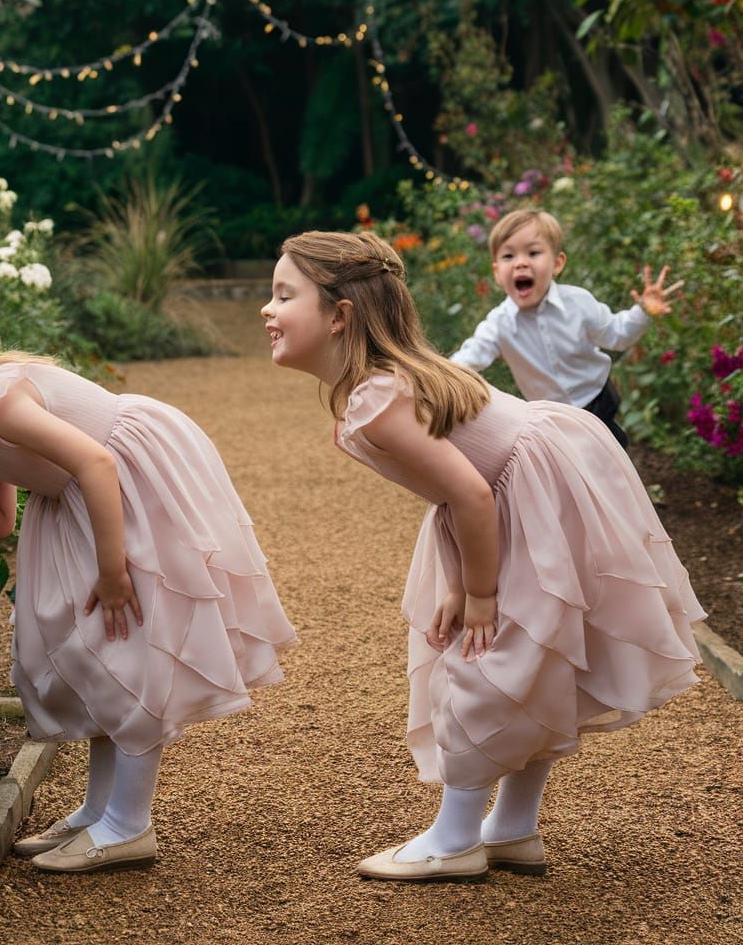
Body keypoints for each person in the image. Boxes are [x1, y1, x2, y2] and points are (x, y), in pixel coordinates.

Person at [262, 230, 704, 883]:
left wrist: (480, 594)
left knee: (482, 662)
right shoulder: (383, 389)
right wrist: (459, 581)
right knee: (530, 660)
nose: (268, 309)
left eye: (283, 295)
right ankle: (513, 827)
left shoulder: (378, 399)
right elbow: (459, 495)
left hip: (529, 501)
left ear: (339, 316)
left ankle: (455, 838)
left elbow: (470, 494)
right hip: (529, 497)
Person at [0, 264, 297, 874]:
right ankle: (100, 810)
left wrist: (114, 573)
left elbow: (97, 463)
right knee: (92, 657)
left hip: (127, 488)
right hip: (74, 503)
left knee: (127, 657)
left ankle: (128, 825)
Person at [450, 208, 682, 447]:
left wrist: (643, 311)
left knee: (613, 449)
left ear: (557, 263)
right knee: (569, 463)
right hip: (554, 421)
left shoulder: (578, 303)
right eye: (508, 256)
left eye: (533, 252)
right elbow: (471, 355)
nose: (520, 263)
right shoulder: (498, 324)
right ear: (497, 272)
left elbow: (617, 334)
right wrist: (438, 375)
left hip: (598, 402)